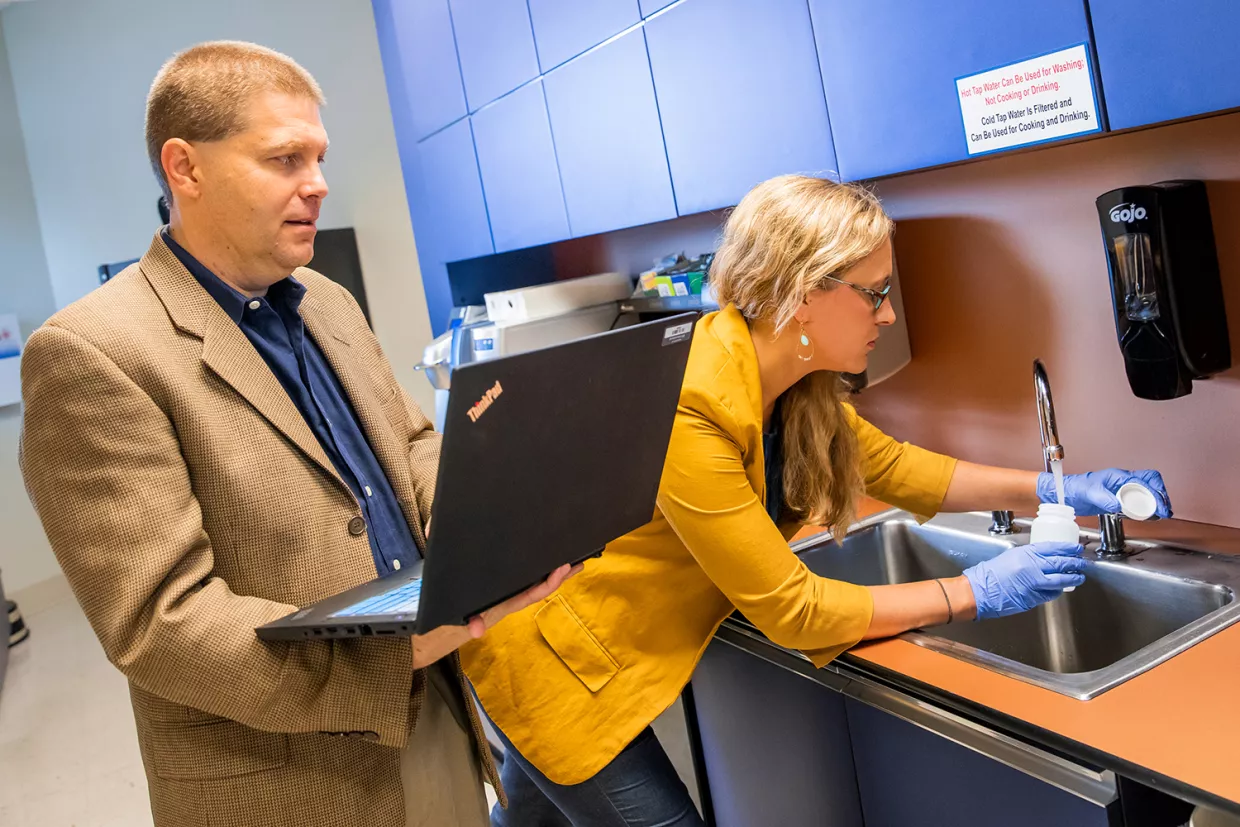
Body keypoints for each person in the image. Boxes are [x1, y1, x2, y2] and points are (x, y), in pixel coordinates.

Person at [461, 175, 1173, 827]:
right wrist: (973, 591)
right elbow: (794, 610)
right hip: (565, 669)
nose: (889, 314)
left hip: (607, 656)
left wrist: (1054, 487)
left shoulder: (794, 380)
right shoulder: (689, 400)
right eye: (874, 291)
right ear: (805, 292)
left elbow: (895, 466)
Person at [19, 41, 572, 827]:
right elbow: (160, 621)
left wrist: (495, 522)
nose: (316, 184)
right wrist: (396, 655)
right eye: (284, 159)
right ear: (185, 168)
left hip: (434, 720)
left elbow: (408, 447)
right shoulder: (94, 352)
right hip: (287, 778)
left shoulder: (325, 300)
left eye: (319, 157)